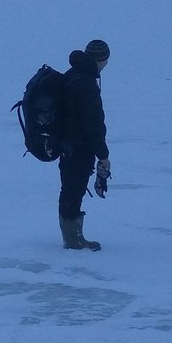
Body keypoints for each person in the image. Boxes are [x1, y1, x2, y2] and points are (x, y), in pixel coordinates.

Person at [58, 39, 111, 250]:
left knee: (70, 187)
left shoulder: (72, 75)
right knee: (74, 188)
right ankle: (73, 240)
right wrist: (103, 154)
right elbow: (93, 122)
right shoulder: (86, 82)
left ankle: (72, 236)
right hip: (78, 145)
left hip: (66, 143)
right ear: (103, 60)